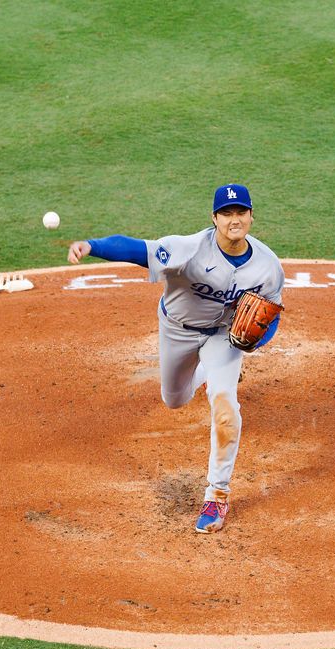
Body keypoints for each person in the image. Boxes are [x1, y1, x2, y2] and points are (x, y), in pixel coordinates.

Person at [67, 183, 285, 533]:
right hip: (177, 329)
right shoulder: (189, 249)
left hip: (223, 338)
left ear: (251, 216)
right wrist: (91, 246)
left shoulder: (267, 265)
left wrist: (253, 344)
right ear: (214, 218)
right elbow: (138, 250)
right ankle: (205, 376)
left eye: (240, 212)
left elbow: (271, 314)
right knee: (174, 398)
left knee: (225, 403)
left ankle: (217, 495)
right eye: (226, 213)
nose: (234, 219)